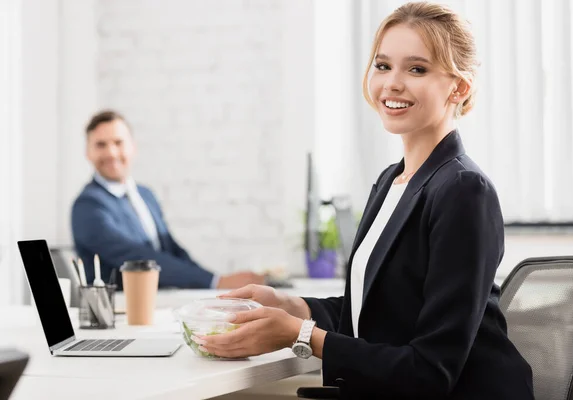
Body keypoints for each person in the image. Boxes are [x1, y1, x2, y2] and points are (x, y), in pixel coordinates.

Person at [193, 2, 534, 399]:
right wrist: (288, 305)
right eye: (383, 65)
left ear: (459, 87)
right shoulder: (392, 181)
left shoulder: (463, 190)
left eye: (417, 69)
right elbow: (373, 312)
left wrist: (300, 335)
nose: (392, 83)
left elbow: (430, 371)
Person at [71, 110, 265, 289]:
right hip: (121, 312)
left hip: (162, 302)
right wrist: (215, 282)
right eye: (100, 145)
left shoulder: (144, 195)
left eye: (118, 142)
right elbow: (138, 259)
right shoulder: (88, 207)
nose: (111, 153)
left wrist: (214, 280)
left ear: (133, 147)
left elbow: (171, 250)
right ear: (88, 153)